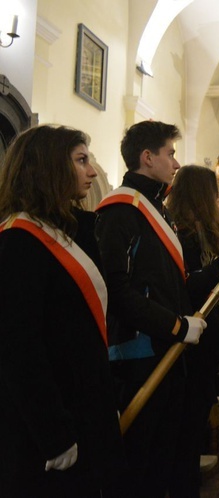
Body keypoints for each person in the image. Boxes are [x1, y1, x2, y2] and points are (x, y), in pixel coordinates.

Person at [0, 125, 124, 496]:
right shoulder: (18, 242)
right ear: (48, 167)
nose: (92, 171)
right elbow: (20, 349)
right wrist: (53, 433)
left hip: (82, 410)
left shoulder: (66, 232)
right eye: (81, 160)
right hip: (49, 427)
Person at [96, 120, 207, 497]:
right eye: (170, 154)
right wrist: (177, 326)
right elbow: (119, 291)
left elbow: (170, 284)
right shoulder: (119, 210)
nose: (176, 164)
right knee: (143, 468)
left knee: (170, 461)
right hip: (139, 355)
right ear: (147, 157)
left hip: (169, 351)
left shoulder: (157, 209)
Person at [165, 165, 219, 498]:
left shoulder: (200, 232)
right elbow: (197, 297)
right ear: (200, 195)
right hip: (191, 350)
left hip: (203, 348)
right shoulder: (185, 235)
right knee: (184, 445)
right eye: (214, 191)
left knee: (192, 441)